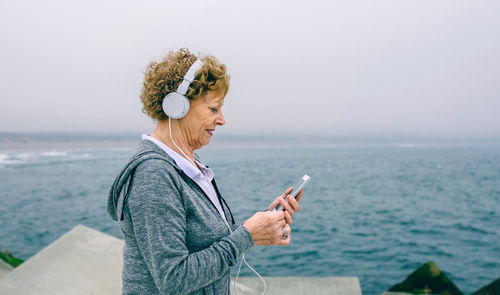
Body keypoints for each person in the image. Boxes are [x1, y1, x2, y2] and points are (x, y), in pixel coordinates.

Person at [107, 48, 303, 295]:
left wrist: (262, 225)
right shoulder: (154, 175)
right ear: (177, 106)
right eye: (213, 109)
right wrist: (246, 236)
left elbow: (205, 242)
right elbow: (174, 279)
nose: (222, 119)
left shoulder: (186, 164)